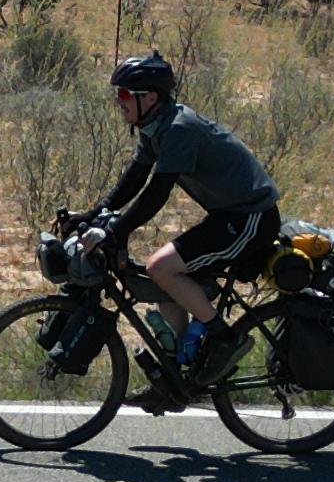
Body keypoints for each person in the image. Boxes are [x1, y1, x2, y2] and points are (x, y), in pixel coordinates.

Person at [68, 49, 278, 400]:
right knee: (163, 281)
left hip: (250, 218)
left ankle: (225, 338)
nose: (118, 102)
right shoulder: (156, 126)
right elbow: (135, 177)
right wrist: (94, 214)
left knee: (161, 267)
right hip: (227, 216)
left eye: (124, 94)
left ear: (150, 98)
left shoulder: (179, 129)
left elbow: (156, 193)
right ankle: (175, 377)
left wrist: (113, 230)